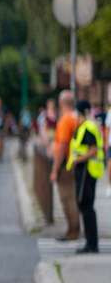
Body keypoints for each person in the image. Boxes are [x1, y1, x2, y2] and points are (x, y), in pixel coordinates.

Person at [67, 100, 104, 253]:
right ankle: (90, 243)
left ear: (81, 112)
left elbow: (93, 150)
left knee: (86, 207)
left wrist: (77, 160)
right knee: (85, 206)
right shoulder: (84, 126)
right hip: (85, 171)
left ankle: (92, 244)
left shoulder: (88, 127)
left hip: (87, 172)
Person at [50, 90, 81, 242]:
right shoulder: (76, 118)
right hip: (74, 162)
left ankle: (73, 231)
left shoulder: (65, 120)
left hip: (65, 164)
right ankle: (72, 229)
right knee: (71, 197)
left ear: (62, 103)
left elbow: (62, 145)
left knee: (67, 198)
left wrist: (55, 169)